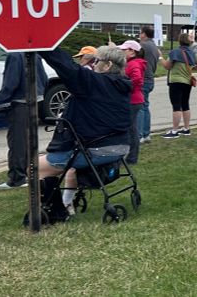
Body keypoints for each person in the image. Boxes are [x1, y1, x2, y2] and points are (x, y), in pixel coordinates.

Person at [35, 46, 131, 218]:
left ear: (108, 65)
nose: (93, 65)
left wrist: (44, 45)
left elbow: (66, 66)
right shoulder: (121, 86)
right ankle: (66, 203)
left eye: (96, 61)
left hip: (95, 150)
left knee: (34, 167)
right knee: (71, 166)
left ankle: (55, 212)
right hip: (121, 146)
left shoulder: (92, 82)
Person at [0, 53, 46, 190]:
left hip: (21, 102)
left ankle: (17, 179)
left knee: (17, 142)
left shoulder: (15, 55)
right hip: (36, 100)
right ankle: (29, 174)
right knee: (29, 141)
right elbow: (44, 78)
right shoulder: (34, 53)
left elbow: (11, 84)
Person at [160, 32, 197, 139]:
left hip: (176, 81)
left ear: (179, 41)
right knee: (185, 104)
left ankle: (175, 130)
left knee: (176, 106)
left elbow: (167, 66)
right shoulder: (193, 53)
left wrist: (160, 57)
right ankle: (186, 128)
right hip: (187, 81)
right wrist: (192, 69)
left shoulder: (175, 52)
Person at [119, 40, 147, 164]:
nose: (121, 52)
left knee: (131, 130)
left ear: (132, 51)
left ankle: (131, 158)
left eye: (124, 50)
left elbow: (138, 80)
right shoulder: (131, 63)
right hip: (133, 99)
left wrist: (124, 85)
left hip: (133, 100)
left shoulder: (134, 64)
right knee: (131, 129)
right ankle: (129, 157)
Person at [137, 26, 161, 144]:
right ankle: (146, 134)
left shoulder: (143, 46)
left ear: (144, 34)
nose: (139, 35)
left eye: (140, 33)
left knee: (140, 107)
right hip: (150, 78)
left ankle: (140, 134)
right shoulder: (155, 47)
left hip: (143, 79)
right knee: (145, 106)